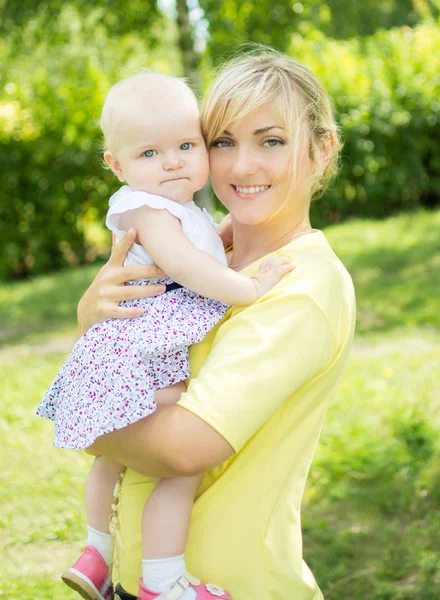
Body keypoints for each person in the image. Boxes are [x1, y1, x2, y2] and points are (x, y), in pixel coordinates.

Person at [77, 50, 356, 600]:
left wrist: (80, 407)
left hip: (235, 585)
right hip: (140, 581)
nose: (240, 166)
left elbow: (183, 448)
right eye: (222, 141)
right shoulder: (208, 263)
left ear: (322, 151)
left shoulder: (302, 285)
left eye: (271, 141)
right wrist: (91, 317)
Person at [37, 72, 292, 600]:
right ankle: (163, 580)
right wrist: (249, 285)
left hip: (131, 345)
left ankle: (96, 552)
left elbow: (194, 243)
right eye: (150, 152)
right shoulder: (145, 210)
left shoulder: (176, 208)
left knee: (115, 454)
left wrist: (224, 237)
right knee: (179, 464)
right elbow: (185, 265)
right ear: (117, 165)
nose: (173, 161)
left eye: (185, 145)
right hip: (139, 350)